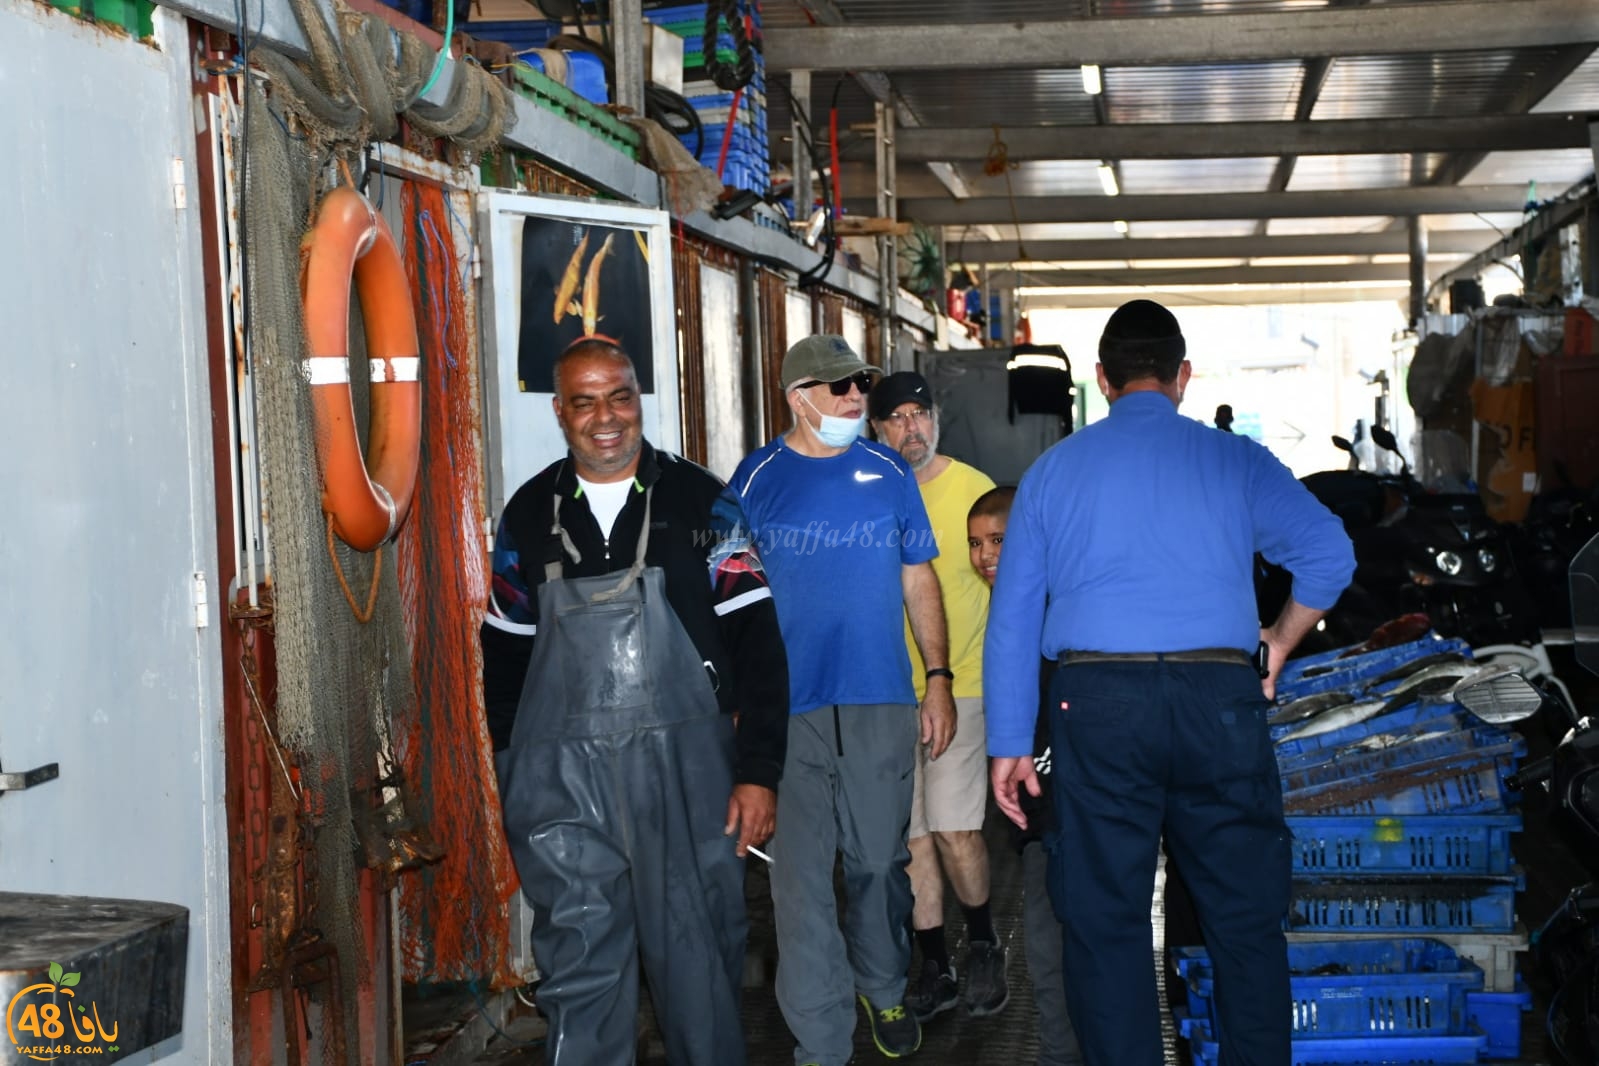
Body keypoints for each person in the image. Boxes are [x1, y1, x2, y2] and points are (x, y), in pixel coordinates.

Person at [983, 299, 1355, 1066]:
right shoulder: (1232, 459)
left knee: (1104, 921)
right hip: (1217, 701)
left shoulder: (1052, 473)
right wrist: (1277, 645)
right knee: (1244, 922)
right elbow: (1329, 555)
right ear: (1182, 377)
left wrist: (1011, 744)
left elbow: (1014, 618)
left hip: (1095, 706)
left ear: (1100, 380)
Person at [482, 336, 789, 1066]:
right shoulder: (530, 514)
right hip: (563, 784)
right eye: (584, 401)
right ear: (561, 412)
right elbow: (505, 654)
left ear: (637, 399)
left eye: (618, 395)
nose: (605, 417)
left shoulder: (703, 503)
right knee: (578, 963)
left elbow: (758, 641)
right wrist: (512, 771)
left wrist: (758, 771)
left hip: (690, 774)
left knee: (699, 962)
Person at [725, 335, 957, 1066]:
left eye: (861, 382)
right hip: (787, 708)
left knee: (878, 864)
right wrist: (739, 704)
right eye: (840, 388)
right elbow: (726, 600)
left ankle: (882, 985)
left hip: (879, 698)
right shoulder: (754, 479)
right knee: (798, 881)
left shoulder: (888, 470)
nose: (858, 397)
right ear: (798, 397)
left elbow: (918, 578)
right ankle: (821, 1041)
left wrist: (938, 678)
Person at [866, 372, 1008, 1022]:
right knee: (911, 837)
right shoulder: (866, 490)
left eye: (918, 414)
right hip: (887, 691)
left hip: (964, 681)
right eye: (893, 419)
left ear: (935, 418)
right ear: (875, 429)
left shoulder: (973, 489)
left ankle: (982, 944)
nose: (909, 429)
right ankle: (934, 963)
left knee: (953, 829)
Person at [966, 486, 1083, 1066]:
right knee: (1046, 954)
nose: (986, 555)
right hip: (1038, 823)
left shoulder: (1053, 618)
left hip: (1070, 816)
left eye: (998, 540)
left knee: (1064, 952)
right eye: (975, 544)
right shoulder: (1007, 615)